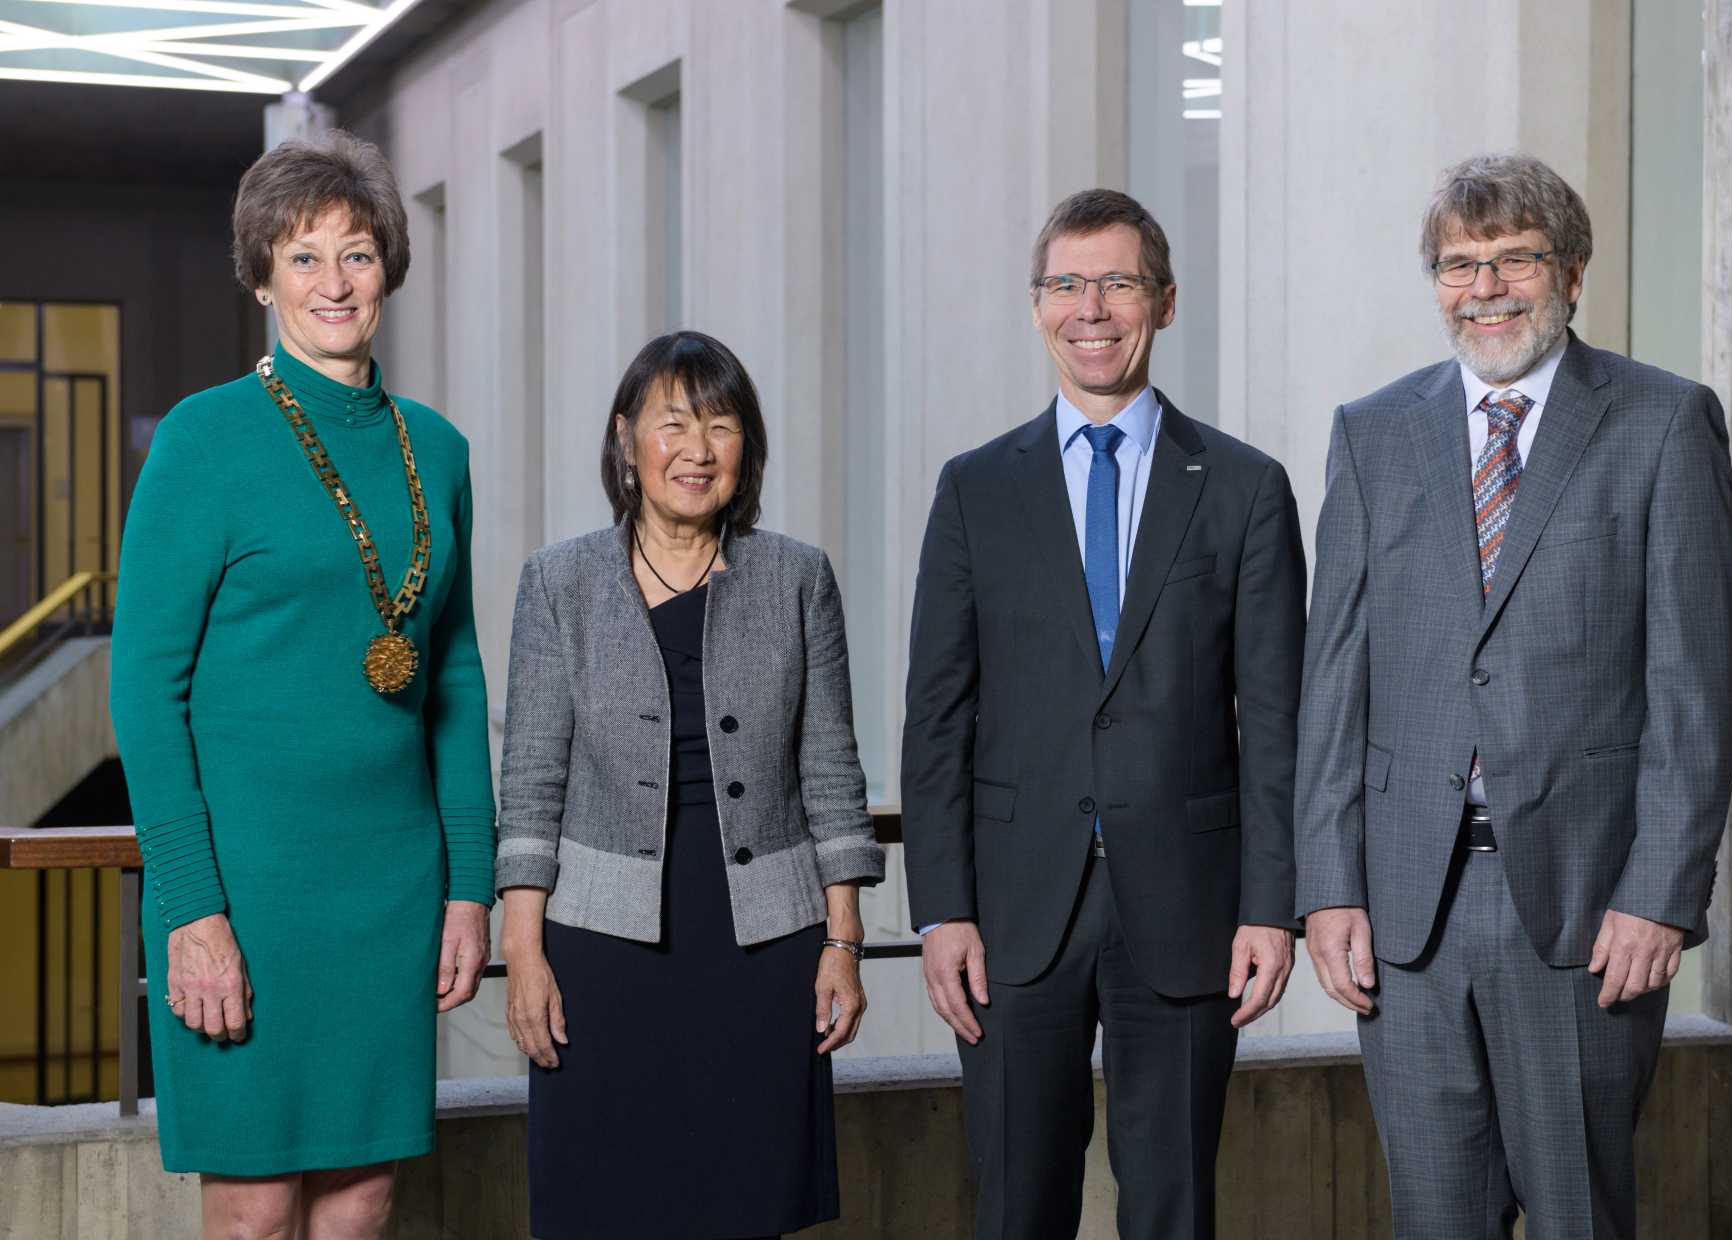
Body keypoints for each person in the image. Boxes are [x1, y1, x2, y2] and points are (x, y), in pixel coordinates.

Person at [1295, 153, 1732, 1238]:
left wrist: (1662, 891)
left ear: (1573, 271)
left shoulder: (1662, 422)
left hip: (1586, 909)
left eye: (1515, 259)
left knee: (1577, 1217)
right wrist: (1328, 885)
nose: (1486, 286)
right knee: (1433, 1218)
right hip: (1408, 911)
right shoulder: (1373, 431)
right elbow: (1334, 677)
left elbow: (1697, 682)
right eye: (1460, 264)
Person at [109, 129, 495, 1238]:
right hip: (245, 888)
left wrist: (468, 883)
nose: (335, 282)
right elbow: (143, 686)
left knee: (363, 1201)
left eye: (358, 254)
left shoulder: (439, 449)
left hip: (388, 887)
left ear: (390, 270)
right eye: (305, 256)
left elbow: (456, 676)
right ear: (263, 274)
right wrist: (191, 909)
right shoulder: (204, 439)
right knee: (253, 1209)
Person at [901, 188, 1307, 1239]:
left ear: (1164, 303)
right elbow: (936, 718)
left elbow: (1273, 718)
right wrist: (939, 909)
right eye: (1067, 284)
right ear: (1037, 306)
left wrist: (1272, 904)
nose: (1093, 308)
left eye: (1118, 282)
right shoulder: (974, 490)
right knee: (1014, 1205)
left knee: (1172, 1206)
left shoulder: (1244, 488)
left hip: (1187, 906)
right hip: (1009, 914)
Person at [495, 330, 885, 1240]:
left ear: (746, 447)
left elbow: (831, 769)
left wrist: (844, 943)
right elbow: (530, 780)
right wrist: (524, 953)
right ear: (627, 439)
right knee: (604, 1204)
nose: (698, 449)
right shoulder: (560, 583)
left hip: (762, 942)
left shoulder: (796, 577)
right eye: (673, 423)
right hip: (600, 944)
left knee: (745, 1201)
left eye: (721, 424)